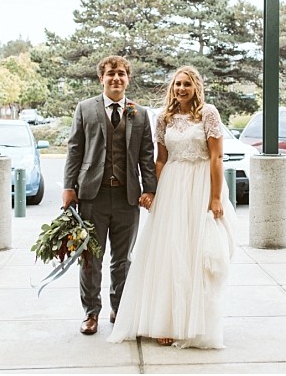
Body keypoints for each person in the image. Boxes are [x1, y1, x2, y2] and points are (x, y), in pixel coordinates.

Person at [110, 65, 235, 350]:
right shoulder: (163, 118)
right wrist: (152, 190)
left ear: (196, 87)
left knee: (196, 253)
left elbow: (216, 158)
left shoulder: (208, 114)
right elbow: (160, 159)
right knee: (169, 252)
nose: (181, 89)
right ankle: (166, 321)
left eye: (187, 84)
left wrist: (215, 198)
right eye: (177, 84)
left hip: (200, 184)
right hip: (172, 187)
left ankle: (193, 323)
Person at [62, 54, 157, 336]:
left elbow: (147, 155)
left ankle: (120, 308)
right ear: (101, 78)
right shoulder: (85, 108)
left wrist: (150, 188)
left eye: (121, 74)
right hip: (92, 196)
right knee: (91, 258)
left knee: (122, 259)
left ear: (128, 79)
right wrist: (69, 187)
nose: (116, 78)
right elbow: (75, 149)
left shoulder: (139, 114)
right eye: (111, 73)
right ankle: (91, 313)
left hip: (128, 198)